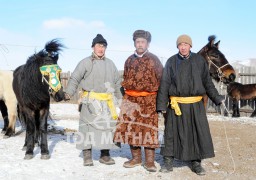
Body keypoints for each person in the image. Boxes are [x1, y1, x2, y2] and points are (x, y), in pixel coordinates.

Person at [156, 34, 225, 175]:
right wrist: (161, 105)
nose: (183, 47)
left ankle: (196, 163)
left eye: (185, 44)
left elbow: (207, 83)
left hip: (195, 105)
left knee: (197, 132)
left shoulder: (199, 61)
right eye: (180, 45)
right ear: (177, 47)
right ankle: (168, 161)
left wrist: (217, 98)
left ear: (190, 46)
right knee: (171, 133)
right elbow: (165, 84)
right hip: (176, 105)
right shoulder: (171, 61)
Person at [64, 34, 122, 166]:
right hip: (90, 102)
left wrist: (121, 99)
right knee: (87, 128)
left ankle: (105, 155)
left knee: (107, 128)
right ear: (93, 47)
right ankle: (87, 155)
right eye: (98, 46)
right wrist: (68, 93)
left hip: (107, 102)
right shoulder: (85, 62)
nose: (101, 49)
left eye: (103, 46)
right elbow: (74, 78)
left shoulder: (110, 64)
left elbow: (118, 83)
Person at [113, 30, 163, 172]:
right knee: (131, 129)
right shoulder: (129, 60)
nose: (140, 44)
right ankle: (136, 158)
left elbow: (162, 80)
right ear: (134, 43)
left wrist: (160, 101)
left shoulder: (154, 60)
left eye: (143, 42)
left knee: (149, 130)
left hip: (149, 100)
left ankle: (149, 161)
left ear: (148, 44)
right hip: (130, 100)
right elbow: (126, 79)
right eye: (138, 42)